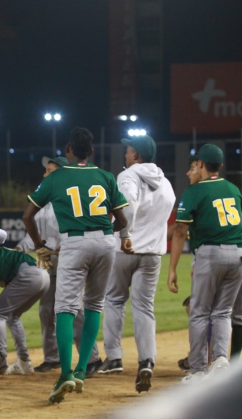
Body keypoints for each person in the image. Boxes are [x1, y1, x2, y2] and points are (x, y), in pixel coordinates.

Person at [23, 127, 128, 404]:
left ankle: (66, 373)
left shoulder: (57, 177)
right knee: (94, 304)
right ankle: (83, 369)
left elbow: (28, 215)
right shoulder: (105, 176)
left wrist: (39, 245)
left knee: (65, 309)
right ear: (90, 151)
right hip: (105, 242)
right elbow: (124, 221)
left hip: (74, 242)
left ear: (69, 150)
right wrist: (105, 232)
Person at [101, 134, 175, 392]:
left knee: (113, 300)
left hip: (126, 249)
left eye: (128, 151)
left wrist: (125, 234)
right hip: (153, 253)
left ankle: (114, 357)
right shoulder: (164, 181)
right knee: (144, 308)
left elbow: (128, 205)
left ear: (136, 156)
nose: (125, 155)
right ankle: (147, 361)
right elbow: (169, 206)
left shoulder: (128, 175)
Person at [17, 156, 102, 375]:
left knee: (74, 310)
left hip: (69, 257)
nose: (45, 174)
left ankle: (91, 359)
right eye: (46, 170)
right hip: (46, 260)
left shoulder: (70, 197)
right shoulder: (45, 196)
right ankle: (52, 357)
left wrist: (64, 247)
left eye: (51, 170)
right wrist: (23, 246)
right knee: (46, 310)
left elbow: (79, 228)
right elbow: (35, 229)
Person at [168, 144, 242, 384]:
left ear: (200, 164)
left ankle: (198, 370)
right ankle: (220, 359)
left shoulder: (195, 191)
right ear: (219, 166)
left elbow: (180, 232)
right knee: (223, 312)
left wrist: (172, 269)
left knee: (199, 314)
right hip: (238, 255)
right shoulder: (233, 189)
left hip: (211, 255)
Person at [0, 227, 50, 376]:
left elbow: (0, 233)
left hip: (28, 273)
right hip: (42, 275)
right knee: (12, 316)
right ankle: (24, 363)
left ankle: (0, 359)